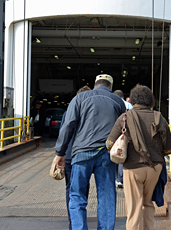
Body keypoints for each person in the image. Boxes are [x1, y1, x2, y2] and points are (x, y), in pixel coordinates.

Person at [55, 74, 126, 230]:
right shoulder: (117, 101)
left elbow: (68, 126)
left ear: (95, 84)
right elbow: (124, 129)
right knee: (107, 197)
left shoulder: (80, 99)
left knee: (77, 196)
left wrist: (60, 153)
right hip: (107, 155)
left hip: (81, 153)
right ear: (110, 87)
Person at [107, 84, 171, 230]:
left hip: (132, 168)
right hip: (154, 168)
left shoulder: (124, 117)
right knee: (147, 203)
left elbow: (109, 143)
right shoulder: (158, 117)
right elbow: (168, 148)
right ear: (150, 100)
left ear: (133, 100)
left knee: (134, 207)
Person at [63, 85, 91, 230]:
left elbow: (64, 132)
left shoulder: (68, 111)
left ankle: (72, 221)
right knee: (83, 187)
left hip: (69, 155)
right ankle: (80, 218)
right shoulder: (91, 114)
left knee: (70, 189)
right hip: (82, 155)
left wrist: (59, 154)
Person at [113, 89, 133, 188]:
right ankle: (120, 179)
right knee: (122, 154)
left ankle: (116, 178)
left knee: (114, 154)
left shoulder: (111, 102)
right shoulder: (129, 105)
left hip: (115, 132)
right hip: (126, 134)